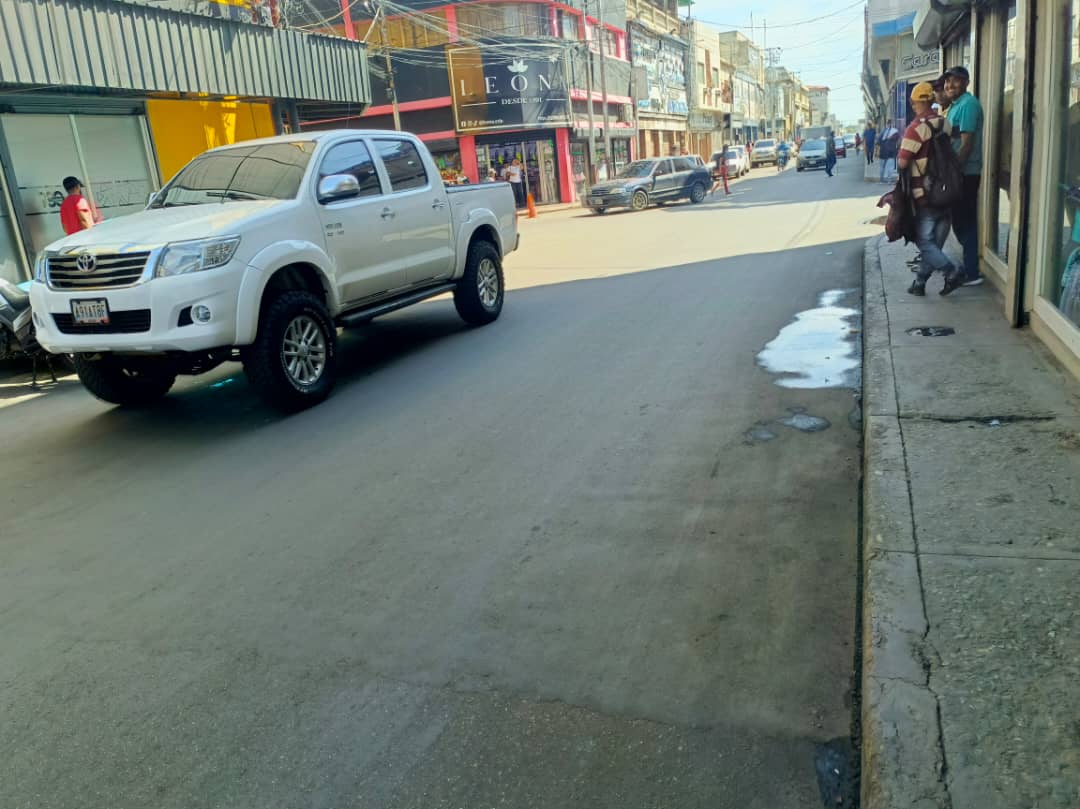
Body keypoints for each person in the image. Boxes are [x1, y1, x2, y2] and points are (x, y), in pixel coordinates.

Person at [897, 82, 963, 296]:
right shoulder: (944, 122)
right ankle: (919, 283)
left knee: (925, 241)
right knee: (934, 243)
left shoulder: (915, 128)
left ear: (914, 102)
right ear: (932, 101)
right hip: (949, 190)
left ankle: (951, 271)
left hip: (925, 193)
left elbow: (902, 163)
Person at [944, 65, 985, 286]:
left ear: (966, 82)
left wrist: (954, 172)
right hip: (957, 173)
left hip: (965, 174)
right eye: (947, 81)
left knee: (965, 221)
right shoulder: (955, 107)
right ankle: (969, 267)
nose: (950, 85)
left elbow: (967, 145)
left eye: (955, 80)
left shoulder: (968, 105)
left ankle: (972, 272)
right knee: (958, 220)